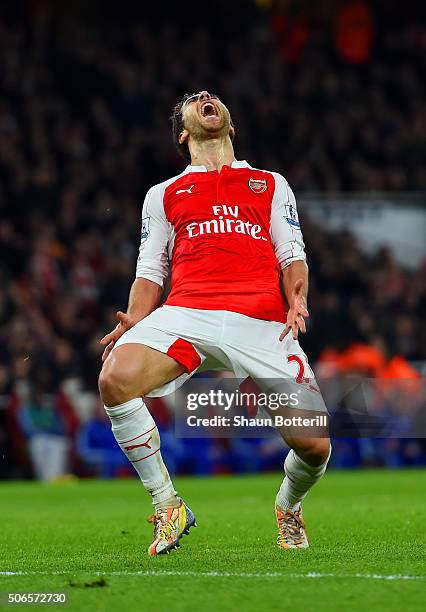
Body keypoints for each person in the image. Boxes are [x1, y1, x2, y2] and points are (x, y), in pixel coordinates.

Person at [98, 91, 331, 556]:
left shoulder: (269, 183)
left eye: (211, 97)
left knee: (314, 446)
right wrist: (134, 321)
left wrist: (297, 296)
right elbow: (150, 271)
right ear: (184, 133)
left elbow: (292, 255)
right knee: (115, 378)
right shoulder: (162, 194)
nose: (205, 97)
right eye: (193, 99)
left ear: (230, 125)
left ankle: (288, 505)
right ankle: (167, 504)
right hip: (189, 313)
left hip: (262, 321)